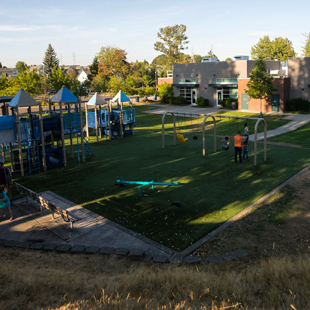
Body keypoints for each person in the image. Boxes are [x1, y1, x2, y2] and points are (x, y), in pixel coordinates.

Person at [0, 154, 13, 219]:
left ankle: (10, 203)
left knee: (8, 194)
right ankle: (3, 204)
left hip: (6, 184)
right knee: (2, 195)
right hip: (1, 185)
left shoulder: (6, 170)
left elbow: (10, 177)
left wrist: (10, 183)